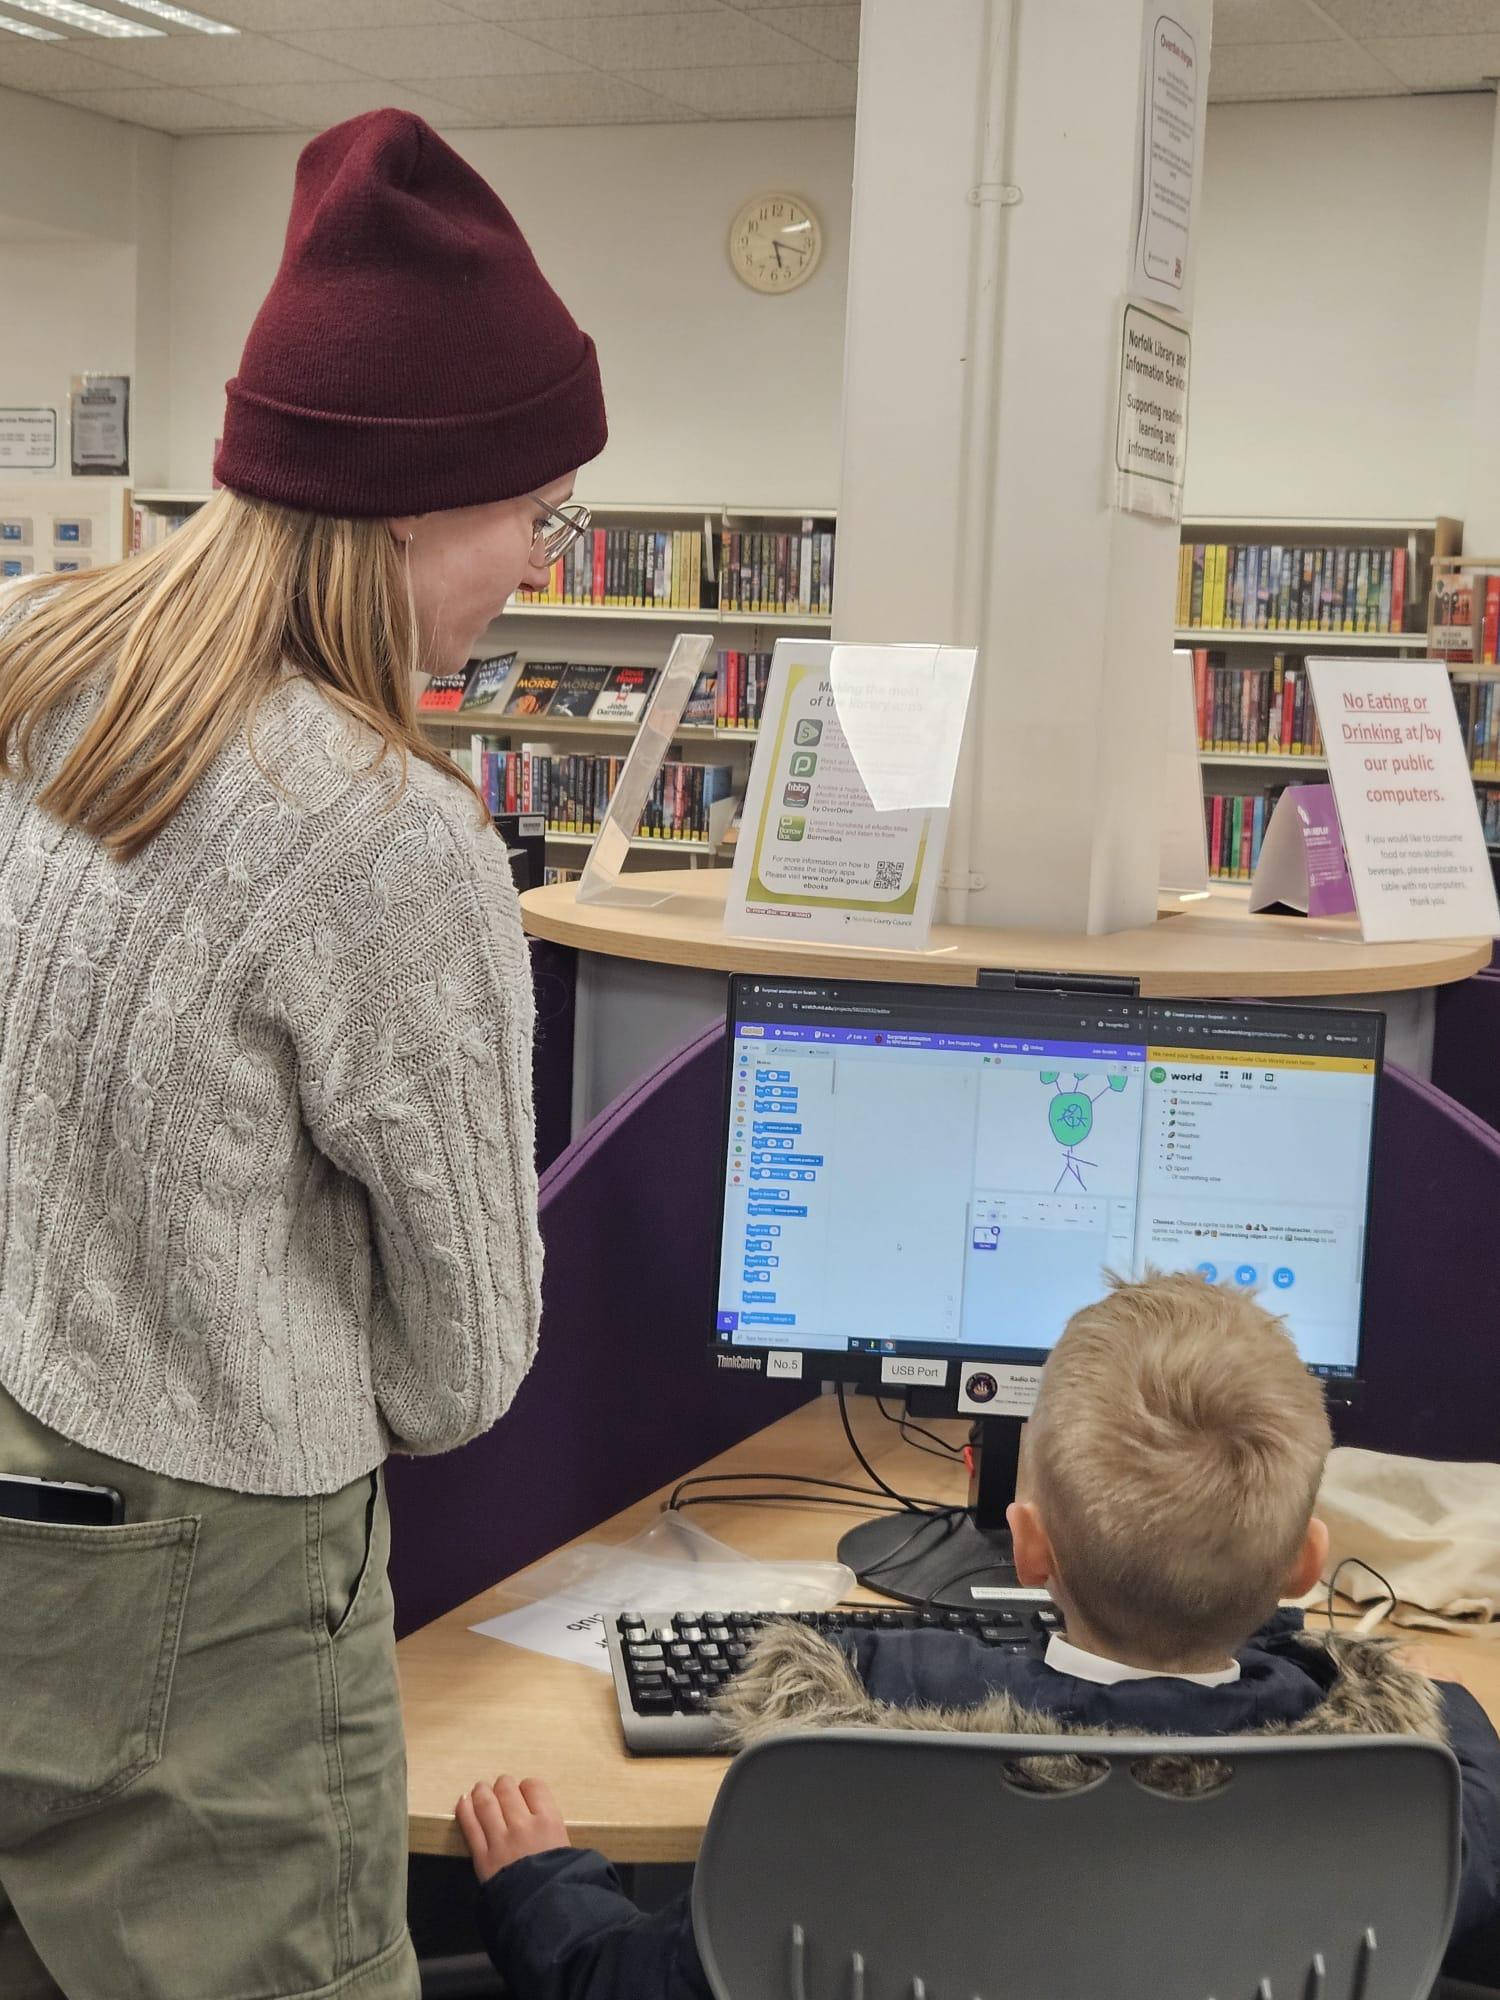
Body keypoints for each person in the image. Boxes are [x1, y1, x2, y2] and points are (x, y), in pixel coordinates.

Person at [0, 109, 605, 2000]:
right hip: (214, 1583)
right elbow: (461, 1372)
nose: (540, 555)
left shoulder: (42, 650)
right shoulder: (391, 836)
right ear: (423, 501)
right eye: (539, 507)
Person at [457, 1273, 1500, 2000]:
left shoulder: (858, 1765)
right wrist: (1417, 1694)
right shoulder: (1398, 1785)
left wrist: (541, 1884)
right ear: (1306, 1563)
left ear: (1030, 1546)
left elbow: (630, 1982)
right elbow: (1475, 1811)